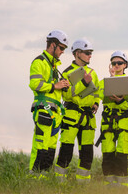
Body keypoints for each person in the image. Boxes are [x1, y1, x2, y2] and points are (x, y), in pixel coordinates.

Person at [54, 38, 100, 182]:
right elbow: (67, 94)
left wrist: (96, 103)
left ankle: (83, 185)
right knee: (66, 151)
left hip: (88, 118)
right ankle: (59, 183)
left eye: (90, 53)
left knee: (87, 153)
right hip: (71, 116)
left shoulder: (93, 72)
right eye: (87, 53)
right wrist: (84, 82)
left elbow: (97, 92)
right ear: (77, 53)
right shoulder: (67, 73)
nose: (90, 56)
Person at [29, 30, 70, 175]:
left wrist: (62, 86)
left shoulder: (54, 66)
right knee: (41, 146)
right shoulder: (39, 62)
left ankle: (44, 179)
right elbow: (34, 84)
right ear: (53, 45)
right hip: (43, 110)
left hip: (54, 114)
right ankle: (34, 180)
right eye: (61, 48)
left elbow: (52, 90)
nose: (62, 52)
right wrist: (55, 86)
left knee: (50, 148)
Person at [95, 50, 128, 187]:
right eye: (114, 63)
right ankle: (109, 187)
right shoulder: (104, 82)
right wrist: (112, 78)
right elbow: (99, 95)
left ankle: (122, 187)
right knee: (107, 155)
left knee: (122, 156)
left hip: (124, 124)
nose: (116, 65)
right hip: (107, 124)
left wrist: (120, 101)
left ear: (125, 65)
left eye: (119, 63)